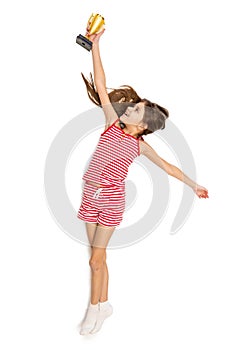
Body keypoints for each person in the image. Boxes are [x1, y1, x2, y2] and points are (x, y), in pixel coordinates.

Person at [77, 28, 209, 335]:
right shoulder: (111, 124)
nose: (129, 108)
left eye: (135, 110)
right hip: (88, 197)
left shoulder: (139, 145)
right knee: (96, 257)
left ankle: (92, 310)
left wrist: (193, 184)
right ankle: (105, 304)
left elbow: (169, 168)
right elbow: (100, 81)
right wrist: (96, 46)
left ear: (141, 127)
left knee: (95, 260)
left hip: (111, 202)